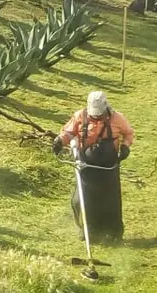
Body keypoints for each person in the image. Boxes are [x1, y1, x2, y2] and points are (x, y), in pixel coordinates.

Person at [52, 91, 135, 245]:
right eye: (94, 114)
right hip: (86, 166)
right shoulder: (80, 116)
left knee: (110, 201)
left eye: (99, 114)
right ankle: (88, 230)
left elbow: (128, 134)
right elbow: (69, 133)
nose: (96, 117)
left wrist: (125, 147)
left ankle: (113, 233)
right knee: (82, 200)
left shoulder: (118, 118)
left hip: (108, 167)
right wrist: (59, 141)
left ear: (105, 108)